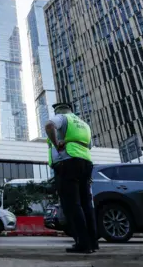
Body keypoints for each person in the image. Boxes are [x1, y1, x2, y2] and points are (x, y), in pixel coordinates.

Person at [45, 102, 98, 254]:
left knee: (72, 204)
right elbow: (89, 146)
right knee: (86, 203)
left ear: (58, 111)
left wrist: (57, 144)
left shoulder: (62, 118)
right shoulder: (84, 124)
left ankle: (82, 242)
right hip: (86, 163)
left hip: (67, 163)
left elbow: (49, 126)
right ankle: (93, 242)